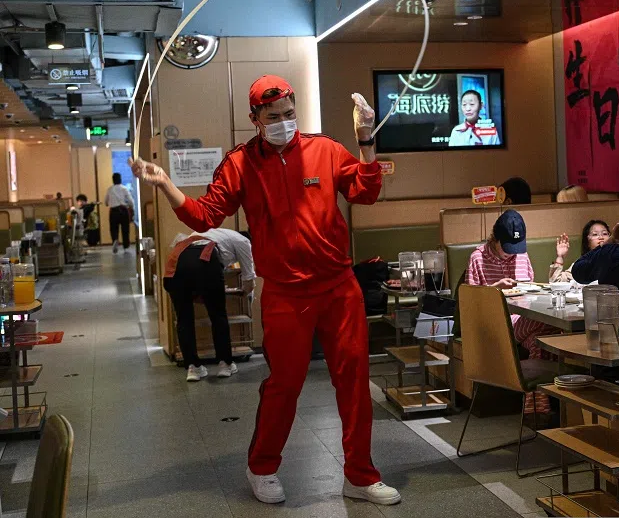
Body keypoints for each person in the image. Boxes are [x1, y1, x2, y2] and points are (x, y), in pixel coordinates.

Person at [129, 75, 400, 506]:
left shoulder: (325, 150)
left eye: (290, 115)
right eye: (274, 117)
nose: (284, 123)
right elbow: (203, 217)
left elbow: (366, 192)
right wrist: (164, 183)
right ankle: (263, 466)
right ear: (255, 119)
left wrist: (366, 136)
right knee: (284, 384)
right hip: (286, 295)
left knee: (354, 382)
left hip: (338, 287)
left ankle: (360, 475)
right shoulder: (240, 164)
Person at [465, 210, 557, 412]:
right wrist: (495, 289)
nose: (513, 252)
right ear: (494, 239)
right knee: (552, 321)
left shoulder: (522, 256)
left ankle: (536, 408)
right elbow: (470, 305)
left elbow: (530, 289)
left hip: (523, 321)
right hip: (496, 324)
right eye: (507, 247)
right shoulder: (477, 258)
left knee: (539, 341)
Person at [163, 228, 255, 382]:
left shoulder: (212, 233)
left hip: (176, 264)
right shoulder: (244, 241)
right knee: (218, 315)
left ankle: (193, 367)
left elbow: (193, 272)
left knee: (184, 319)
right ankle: (225, 364)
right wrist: (245, 293)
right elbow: (249, 280)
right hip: (205, 260)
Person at [104, 173, 134, 253]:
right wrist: (130, 206)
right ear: (120, 179)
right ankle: (126, 246)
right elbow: (131, 201)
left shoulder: (110, 189)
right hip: (123, 210)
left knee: (113, 229)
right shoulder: (124, 188)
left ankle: (115, 240)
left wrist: (109, 203)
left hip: (113, 211)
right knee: (125, 229)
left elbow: (106, 202)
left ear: (113, 180)